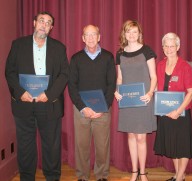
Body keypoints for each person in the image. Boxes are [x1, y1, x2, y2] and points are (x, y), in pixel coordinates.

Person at [5, 11, 69, 181]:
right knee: (25, 146)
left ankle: (53, 177)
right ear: (34, 23)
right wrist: (20, 93)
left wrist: (49, 94)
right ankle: (26, 178)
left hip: (50, 104)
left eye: (48, 23)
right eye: (41, 21)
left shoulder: (59, 47)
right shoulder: (18, 45)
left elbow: (64, 75)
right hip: (24, 104)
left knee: (52, 146)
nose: (44, 25)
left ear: (51, 28)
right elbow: (9, 72)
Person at [68, 25, 116, 181]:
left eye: (93, 34)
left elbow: (111, 84)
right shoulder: (76, 58)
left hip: (102, 111)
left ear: (99, 37)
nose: (90, 38)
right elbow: (72, 85)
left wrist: (103, 108)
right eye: (87, 35)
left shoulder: (108, 57)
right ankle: (82, 176)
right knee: (81, 147)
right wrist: (83, 107)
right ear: (82, 38)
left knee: (102, 148)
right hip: (81, 110)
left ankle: (102, 175)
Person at [114, 20, 157, 181]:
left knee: (141, 137)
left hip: (143, 100)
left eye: (134, 31)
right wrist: (117, 92)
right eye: (128, 31)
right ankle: (134, 171)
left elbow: (153, 77)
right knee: (131, 136)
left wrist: (150, 93)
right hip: (127, 101)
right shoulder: (120, 53)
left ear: (139, 33)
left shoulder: (147, 51)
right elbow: (120, 78)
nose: (131, 35)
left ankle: (143, 172)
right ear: (124, 34)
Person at [153, 33, 192, 181]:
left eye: (172, 46)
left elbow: (191, 92)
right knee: (172, 146)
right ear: (163, 48)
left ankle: (178, 178)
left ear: (178, 47)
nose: (169, 49)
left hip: (181, 113)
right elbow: (158, 87)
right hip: (165, 113)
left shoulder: (185, 66)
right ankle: (180, 175)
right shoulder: (160, 65)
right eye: (166, 46)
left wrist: (178, 111)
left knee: (182, 146)